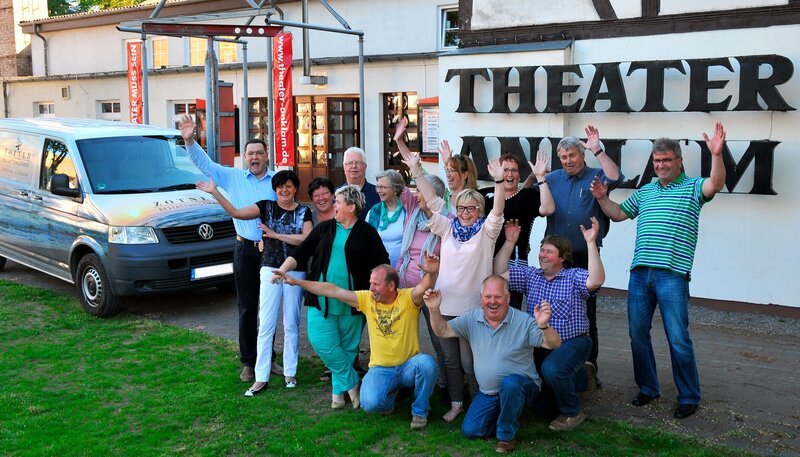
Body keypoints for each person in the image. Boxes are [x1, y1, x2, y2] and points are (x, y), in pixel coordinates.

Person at [590, 123, 727, 419]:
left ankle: (689, 396)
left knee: (677, 337)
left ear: (679, 161)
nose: (661, 165)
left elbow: (714, 184)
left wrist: (716, 154)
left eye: (666, 160)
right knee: (637, 334)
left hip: (672, 275)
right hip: (640, 274)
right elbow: (618, 213)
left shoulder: (693, 188)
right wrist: (602, 197)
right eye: (657, 161)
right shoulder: (647, 191)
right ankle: (648, 388)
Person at [401, 145, 506, 423]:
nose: (466, 212)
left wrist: (498, 182)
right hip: (446, 305)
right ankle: (457, 404)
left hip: (473, 310)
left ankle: (478, 404)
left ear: (479, 209)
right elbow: (433, 200)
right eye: (461, 208)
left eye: (472, 208)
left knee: (471, 363)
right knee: (450, 361)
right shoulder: (448, 227)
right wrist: (416, 170)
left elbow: (497, 213)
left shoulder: (486, 232)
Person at [274, 256, 439, 430]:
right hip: (381, 368)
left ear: (391, 286)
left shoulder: (408, 298)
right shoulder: (367, 299)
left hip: (408, 367)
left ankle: (420, 411)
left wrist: (433, 272)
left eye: (376, 284)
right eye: (371, 283)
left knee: (427, 364)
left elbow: (424, 286)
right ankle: (391, 396)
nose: (371, 288)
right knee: (370, 404)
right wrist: (297, 282)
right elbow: (332, 290)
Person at [179, 115, 278, 383]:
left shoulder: (278, 180)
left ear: (267, 156)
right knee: (247, 307)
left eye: (259, 153)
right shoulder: (233, 177)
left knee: (269, 307)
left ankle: (268, 358)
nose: (255, 157)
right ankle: (248, 362)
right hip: (245, 250)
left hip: (271, 251)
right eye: (250, 154)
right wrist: (190, 140)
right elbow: (205, 164)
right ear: (245, 157)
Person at [273, 185, 389, 409]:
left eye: (338, 201)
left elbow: (382, 262)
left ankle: (338, 395)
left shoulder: (367, 232)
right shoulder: (324, 228)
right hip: (321, 300)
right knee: (322, 342)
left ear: (352, 207)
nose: (333, 204)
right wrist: (283, 269)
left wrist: (379, 288)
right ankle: (353, 383)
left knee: (347, 348)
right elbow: (301, 252)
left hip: (353, 302)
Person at [196, 170, 312, 395]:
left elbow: (306, 239)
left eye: (289, 186)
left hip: (296, 268)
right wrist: (215, 192)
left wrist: (275, 235)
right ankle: (261, 376)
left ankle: (290, 372)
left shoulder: (304, 211)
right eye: (280, 187)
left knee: (291, 322)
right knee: (266, 322)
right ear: (275, 189)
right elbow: (237, 213)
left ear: (295, 188)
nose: (285, 190)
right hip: (269, 267)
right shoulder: (266, 207)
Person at [424, 276, 562, 454]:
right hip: (489, 392)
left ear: (508, 298)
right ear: (481, 298)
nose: (492, 302)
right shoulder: (472, 318)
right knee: (470, 430)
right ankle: (508, 415)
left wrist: (543, 325)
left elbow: (554, 344)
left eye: (497, 297)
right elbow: (442, 330)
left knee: (510, 385)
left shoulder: (523, 321)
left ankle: (506, 437)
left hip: (522, 386)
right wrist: (434, 309)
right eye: (488, 297)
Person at [494, 217, 606, 431]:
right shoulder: (531, 276)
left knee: (552, 370)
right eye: (541, 250)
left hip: (573, 343)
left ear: (562, 257)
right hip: (542, 345)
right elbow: (499, 273)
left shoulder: (573, 277)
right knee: (542, 409)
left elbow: (596, 280)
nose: (542, 255)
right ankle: (582, 376)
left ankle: (573, 412)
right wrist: (509, 242)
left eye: (549, 252)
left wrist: (591, 243)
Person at [543, 125, 623, 385]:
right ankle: (553, 364)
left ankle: (589, 369)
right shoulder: (553, 177)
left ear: (582, 154)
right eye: (564, 157)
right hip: (555, 258)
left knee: (586, 315)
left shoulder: (596, 176)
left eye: (572, 155)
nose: (568, 161)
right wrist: (537, 176)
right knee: (551, 311)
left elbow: (616, 175)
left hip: (585, 256)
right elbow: (534, 192)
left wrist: (598, 148)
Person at [395, 174, 449, 392]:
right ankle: (402, 383)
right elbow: (405, 252)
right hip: (406, 287)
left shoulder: (447, 221)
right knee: (402, 338)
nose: (416, 195)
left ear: (432, 195)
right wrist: (398, 277)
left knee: (439, 340)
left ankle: (446, 385)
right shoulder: (413, 215)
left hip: (431, 291)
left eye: (420, 191)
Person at [481, 152, 554, 309]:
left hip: (513, 263)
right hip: (485, 260)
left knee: (510, 310)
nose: (509, 174)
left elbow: (548, 209)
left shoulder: (527, 195)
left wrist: (540, 177)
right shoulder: (485, 194)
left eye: (514, 170)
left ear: (519, 175)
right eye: (505, 169)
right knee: (487, 309)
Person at [367, 169, 415, 267]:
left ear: (395, 189)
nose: (379, 191)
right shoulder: (374, 212)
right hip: (378, 267)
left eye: (383, 187)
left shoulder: (407, 211)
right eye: (377, 187)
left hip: (403, 268)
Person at [437, 138, 479, 213]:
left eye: (452, 171)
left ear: (465, 174)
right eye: (447, 170)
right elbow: (426, 182)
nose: (448, 175)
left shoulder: (474, 199)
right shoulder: (444, 197)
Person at [342, 147, 379, 220]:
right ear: (344, 167)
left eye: (358, 162)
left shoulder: (378, 193)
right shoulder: (336, 194)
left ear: (365, 166)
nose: (354, 166)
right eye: (350, 163)